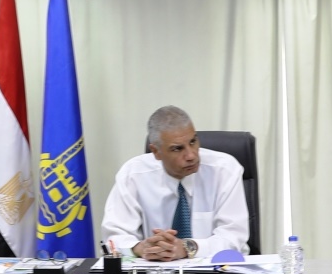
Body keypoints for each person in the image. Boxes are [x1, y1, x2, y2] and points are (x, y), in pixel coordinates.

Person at [101, 105, 248, 261]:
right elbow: (113, 238)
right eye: (177, 149)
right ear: (156, 152)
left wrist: (187, 247)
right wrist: (141, 248)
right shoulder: (133, 175)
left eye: (193, 142)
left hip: (219, 271)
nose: (191, 155)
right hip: (156, 272)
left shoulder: (224, 170)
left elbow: (233, 238)